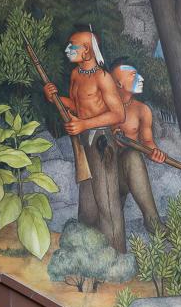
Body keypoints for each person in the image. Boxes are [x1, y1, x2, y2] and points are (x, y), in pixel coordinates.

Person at [44, 29, 127, 252]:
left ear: (87, 50)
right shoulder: (75, 74)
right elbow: (75, 104)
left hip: (101, 141)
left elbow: (119, 115)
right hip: (82, 142)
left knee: (107, 202)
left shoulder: (103, 77)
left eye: (72, 46)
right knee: (88, 206)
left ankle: (117, 257)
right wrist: (54, 97)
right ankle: (88, 256)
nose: (67, 50)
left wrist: (84, 124)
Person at [111, 60, 166, 232]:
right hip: (105, 173)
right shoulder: (101, 105)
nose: (141, 78)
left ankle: (152, 221)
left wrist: (154, 153)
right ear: (119, 82)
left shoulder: (142, 110)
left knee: (133, 156)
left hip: (125, 175)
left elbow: (147, 143)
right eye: (134, 76)